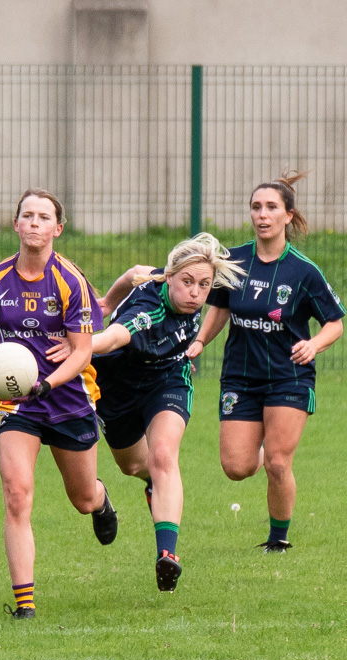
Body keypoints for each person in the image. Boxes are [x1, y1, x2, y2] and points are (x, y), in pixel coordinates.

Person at [0, 188, 118, 620]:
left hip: (67, 400)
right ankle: (25, 604)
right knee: (16, 495)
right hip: (14, 405)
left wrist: (46, 384)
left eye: (45, 217)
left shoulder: (71, 282)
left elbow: (83, 351)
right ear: (16, 224)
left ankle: (100, 501)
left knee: (80, 497)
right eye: (28, 215)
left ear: (57, 229)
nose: (35, 223)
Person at [185, 171, 345, 552]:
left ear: (288, 215)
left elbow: (334, 324)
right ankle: (267, 447)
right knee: (236, 467)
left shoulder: (303, 271)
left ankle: (278, 539)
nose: (262, 214)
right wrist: (200, 341)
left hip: (289, 377)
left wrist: (315, 345)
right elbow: (221, 308)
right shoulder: (234, 261)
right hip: (240, 377)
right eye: (256, 207)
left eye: (272, 207)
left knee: (277, 464)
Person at [88, 233, 245, 592]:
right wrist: (83, 340)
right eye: (187, 282)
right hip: (117, 390)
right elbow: (112, 338)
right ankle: (148, 486)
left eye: (204, 285)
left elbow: (132, 272)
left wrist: (106, 301)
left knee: (163, 456)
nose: (195, 293)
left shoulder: (167, 280)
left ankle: (167, 556)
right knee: (133, 466)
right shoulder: (149, 312)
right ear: (169, 277)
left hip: (168, 381)